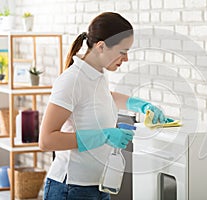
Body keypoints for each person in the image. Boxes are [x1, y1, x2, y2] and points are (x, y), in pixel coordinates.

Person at [39, 12, 170, 200]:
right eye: (122, 51)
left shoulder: (97, 74)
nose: (126, 59)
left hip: (100, 186)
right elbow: (46, 140)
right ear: (101, 47)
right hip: (71, 189)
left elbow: (99, 99)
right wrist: (103, 136)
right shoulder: (71, 81)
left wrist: (140, 105)